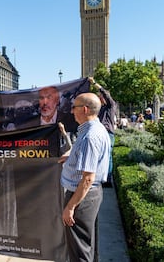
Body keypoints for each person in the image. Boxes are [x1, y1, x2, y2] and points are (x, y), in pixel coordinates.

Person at [59, 93, 111, 262]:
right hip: (91, 195)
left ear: (85, 109)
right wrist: (72, 156)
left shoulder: (89, 136)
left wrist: (71, 206)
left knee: (79, 249)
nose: (72, 111)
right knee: (88, 244)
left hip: (82, 197)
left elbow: (87, 178)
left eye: (74, 107)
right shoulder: (96, 128)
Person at [91, 78, 116, 187]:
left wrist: (95, 84)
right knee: (98, 156)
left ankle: (108, 180)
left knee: (108, 156)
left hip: (108, 134)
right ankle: (100, 177)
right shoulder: (100, 109)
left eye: (101, 97)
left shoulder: (110, 106)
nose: (100, 98)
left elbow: (105, 94)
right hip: (99, 134)